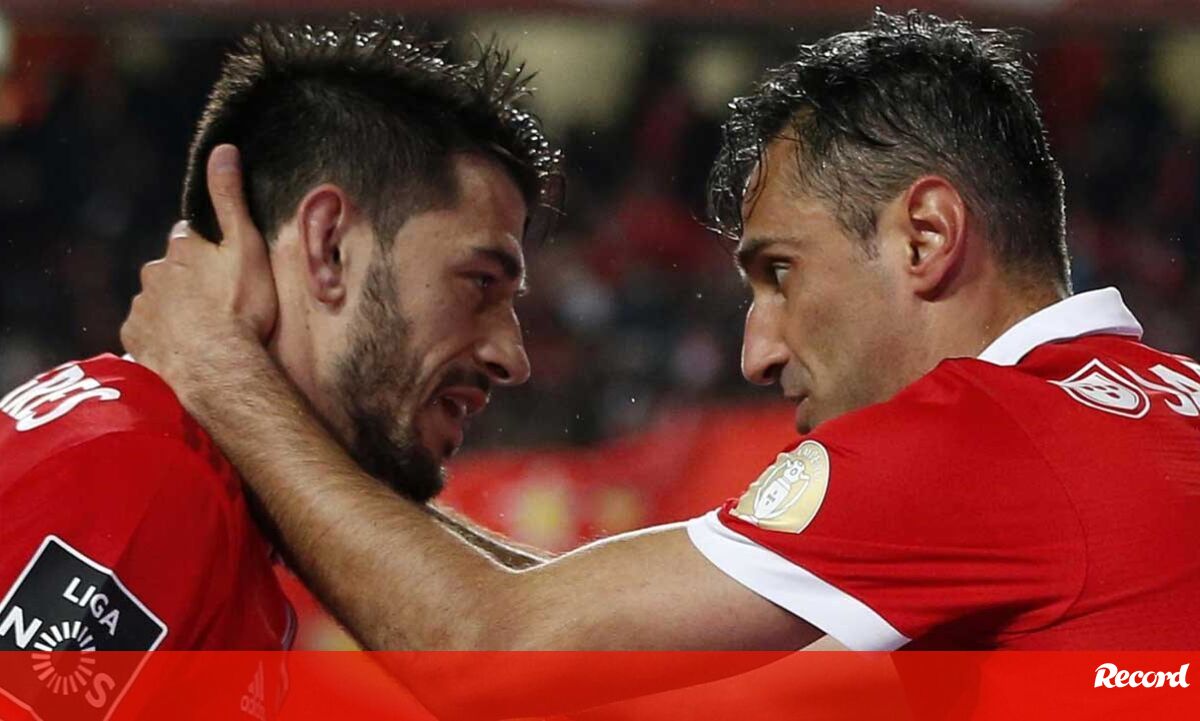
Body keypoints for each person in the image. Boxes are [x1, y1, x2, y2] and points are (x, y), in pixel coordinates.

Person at [122, 7, 1200, 664]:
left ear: (925, 236)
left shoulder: (976, 436)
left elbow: (499, 649)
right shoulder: (1144, 413)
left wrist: (226, 375)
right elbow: (616, 670)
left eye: (781, 273)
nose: (757, 351)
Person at [0, 16, 560, 720]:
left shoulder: (166, 464)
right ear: (329, 247)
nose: (511, 355)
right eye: (479, 282)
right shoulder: (149, 477)